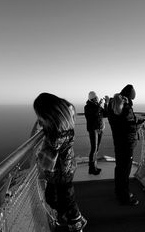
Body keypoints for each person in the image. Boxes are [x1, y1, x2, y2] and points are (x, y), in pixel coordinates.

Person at [33, 92, 87, 232]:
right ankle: (65, 217)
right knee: (55, 197)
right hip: (62, 171)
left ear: (49, 116)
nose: (39, 120)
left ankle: (76, 223)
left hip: (62, 172)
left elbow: (50, 150)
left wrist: (43, 131)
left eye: (40, 116)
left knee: (66, 200)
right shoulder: (63, 127)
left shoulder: (57, 135)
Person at [107, 84, 145, 206]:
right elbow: (130, 128)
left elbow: (121, 124)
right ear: (129, 96)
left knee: (119, 169)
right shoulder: (126, 108)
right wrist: (139, 122)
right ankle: (124, 196)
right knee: (125, 170)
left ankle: (119, 192)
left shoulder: (112, 106)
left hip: (118, 142)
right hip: (127, 144)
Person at [84, 91, 109, 175]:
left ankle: (94, 166)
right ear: (92, 99)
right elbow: (94, 113)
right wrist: (99, 104)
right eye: (96, 98)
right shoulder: (87, 107)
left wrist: (106, 104)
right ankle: (91, 168)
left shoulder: (97, 106)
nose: (97, 98)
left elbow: (106, 114)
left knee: (96, 149)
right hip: (93, 129)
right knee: (93, 149)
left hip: (100, 129)